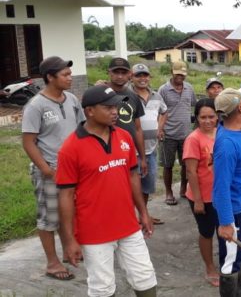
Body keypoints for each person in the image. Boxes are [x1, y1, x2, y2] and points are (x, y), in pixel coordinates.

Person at [57, 85, 157, 297]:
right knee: (102, 287)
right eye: (108, 107)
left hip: (128, 225)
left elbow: (132, 176)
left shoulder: (124, 137)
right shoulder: (71, 148)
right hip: (94, 231)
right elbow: (65, 195)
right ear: (90, 111)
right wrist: (69, 239)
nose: (115, 111)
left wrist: (144, 212)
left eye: (116, 106)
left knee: (145, 277)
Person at [21, 56, 85, 281]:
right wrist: (47, 170)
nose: (70, 78)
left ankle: (69, 251)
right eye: (65, 75)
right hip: (50, 169)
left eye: (70, 73)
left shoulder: (71, 99)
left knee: (70, 212)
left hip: (72, 169)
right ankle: (52, 263)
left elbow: (81, 130)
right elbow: (28, 142)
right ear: (50, 77)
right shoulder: (36, 105)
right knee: (49, 218)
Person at [212, 87, 241, 296]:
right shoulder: (227, 144)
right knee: (230, 260)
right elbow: (221, 187)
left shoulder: (240, 124)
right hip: (235, 211)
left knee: (240, 254)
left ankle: (240, 292)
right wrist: (225, 223)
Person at [183, 99, 221, 287]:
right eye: (203, 117)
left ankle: (225, 263)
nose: (207, 121)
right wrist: (198, 200)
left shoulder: (221, 133)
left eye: (211, 117)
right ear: (197, 118)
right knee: (206, 232)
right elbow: (190, 171)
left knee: (223, 231)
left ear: (217, 117)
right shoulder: (193, 139)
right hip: (202, 196)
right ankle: (210, 267)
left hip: (221, 195)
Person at [130, 63, 168, 225]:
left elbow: (164, 112)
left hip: (151, 149)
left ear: (149, 77)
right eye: (138, 75)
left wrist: (160, 127)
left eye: (145, 75)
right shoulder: (126, 95)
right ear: (132, 77)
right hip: (131, 151)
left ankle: (143, 214)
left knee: (147, 185)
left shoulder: (156, 96)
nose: (142, 78)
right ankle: (129, 218)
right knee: (131, 186)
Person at [158, 61, 197, 205]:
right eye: (177, 74)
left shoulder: (189, 88)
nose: (180, 76)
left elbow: (193, 105)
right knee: (168, 165)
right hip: (168, 134)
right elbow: (159, 111)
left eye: (182, 74)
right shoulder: (163, 90)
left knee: (186, 165)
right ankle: (168, 192)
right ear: (171, 72)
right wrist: (160, 129)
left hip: (186, 134)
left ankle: (182, 189)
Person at [107, 57, 147, 182]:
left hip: (128, 151)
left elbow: (138, 129)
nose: (119, 76)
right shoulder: (102, 94)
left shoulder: (134, 97)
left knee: (131, 186)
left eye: (123, 73)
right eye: (116, 72)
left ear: (129, 74)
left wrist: (143, 157)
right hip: (107, 152)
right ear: (109, 72)